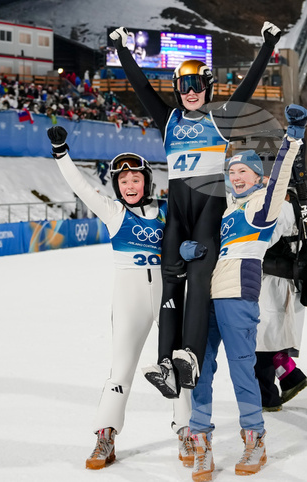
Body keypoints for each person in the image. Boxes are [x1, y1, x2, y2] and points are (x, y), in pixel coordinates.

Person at [107, 21, 282, 399]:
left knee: (199, 280)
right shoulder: (168, 120)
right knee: (171, 280)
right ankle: (167, 362)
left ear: (208, 88)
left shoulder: (220, 118)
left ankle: (190, 353)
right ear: (177, 89)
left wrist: (267, 45)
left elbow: (248, 87)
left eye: (197, 86)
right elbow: (140, 88)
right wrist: (123, 50)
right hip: (178, 215)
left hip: (208, 212)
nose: (190, 93)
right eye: (184, 87)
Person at [45, 126, 193, 471]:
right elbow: (80, 187)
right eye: (123, 181)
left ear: (147, 181)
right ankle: (106, 435)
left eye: (135, 180)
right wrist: (62, 153)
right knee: (121, 368)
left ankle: (187, 430)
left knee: (178, 364)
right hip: (129, 294)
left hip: (167, 289)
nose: (129, 186)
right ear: (117, 186)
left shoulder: (167, 209)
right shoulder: (113, 212)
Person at [183, 104, 307, 481]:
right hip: (209, 293)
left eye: (243, 171)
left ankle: (254, 439)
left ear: (256, 176)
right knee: (201, 369)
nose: (236, 177)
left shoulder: (261, 206)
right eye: (232, 171)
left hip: (238, 293)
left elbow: (280, 177)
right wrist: (195, 253)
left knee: (242, 369)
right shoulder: (228, 211)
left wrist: (293, 138)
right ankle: (200, 440)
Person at [254, 187, 307, 412]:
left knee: (262, 342)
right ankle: (289, 376)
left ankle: (269, 398)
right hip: (281, 281)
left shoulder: (281, 206)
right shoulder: (297, 202)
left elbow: (262, 242)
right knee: (269, 339)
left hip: (275, 282)